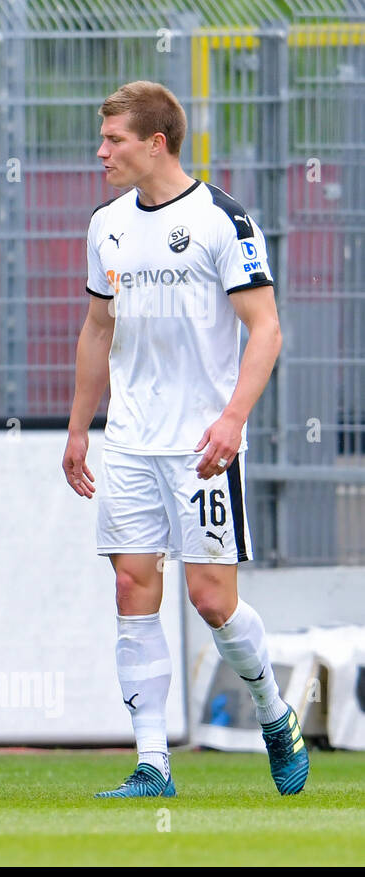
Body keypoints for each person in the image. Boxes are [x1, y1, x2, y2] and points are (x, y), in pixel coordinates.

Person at [63, 81, 308, 797]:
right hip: (131, 441)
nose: (100, 151)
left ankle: (274, 711)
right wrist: (80, 427)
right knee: (131, 584)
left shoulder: (222, 222)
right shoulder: (105, 223)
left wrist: (232, 418)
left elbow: (266, 328)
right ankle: (152, 764)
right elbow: (97, 329)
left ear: (156, 143)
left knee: (210, 600)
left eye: (113, 140)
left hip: (202, 445)